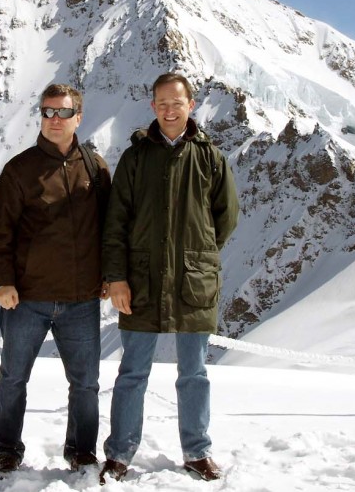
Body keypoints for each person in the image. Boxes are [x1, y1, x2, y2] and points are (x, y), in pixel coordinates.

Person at [99, 73, 239, 484]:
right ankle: (120, 452)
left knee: (193, 373)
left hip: (194, 282)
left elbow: (225, 217)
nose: (169, 109)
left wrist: (198, 254)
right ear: (153, 106)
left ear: (191, 104)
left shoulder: (210, 156)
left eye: (176, 102)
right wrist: (118, 278)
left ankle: (197, 451)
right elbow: (116, 222)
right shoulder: (136, 157)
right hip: (140, 282)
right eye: (162, 102)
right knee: (132, 373)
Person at [0, 83, 112, 478]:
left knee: (86, 384)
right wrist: (2, 282)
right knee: (12, 378)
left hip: (81, 299)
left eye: (63, 112)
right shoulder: (20, 169)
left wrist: (109, 275)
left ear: (78, 116)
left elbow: (110, 229)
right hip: (27, 298)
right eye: (47, 111)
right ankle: (7, 449)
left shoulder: (96, 167)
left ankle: (81, 451)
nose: (54, 119)